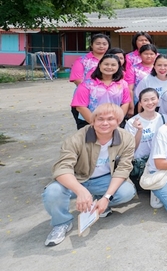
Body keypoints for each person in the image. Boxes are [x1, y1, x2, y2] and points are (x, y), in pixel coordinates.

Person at [42, 103, 136, 247]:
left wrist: (106, 197)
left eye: (110, 119)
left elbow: (123, 169)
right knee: (52, 192)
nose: (105, 123)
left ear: (118, 122)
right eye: (100, 119)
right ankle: (62, 223)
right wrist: (80, 190)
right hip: (78, 178)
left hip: (104, 179)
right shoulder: (76, 138)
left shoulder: (126, 138)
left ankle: (99, 200)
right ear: (92, 121)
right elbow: (62, 168)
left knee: (127, 191)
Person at [125, 88, 166, 200]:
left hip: (159, 161)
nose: (150, 103)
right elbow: (131, 149)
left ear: (158, 100)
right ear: (141, 102)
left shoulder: (164, 118)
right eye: (146, 100)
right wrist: (139, 131)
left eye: (153, 99)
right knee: (147, 192)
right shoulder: (131, 122)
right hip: (141, 165)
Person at [71, 54, 131, 130]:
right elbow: (80, 106)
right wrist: (96, 124)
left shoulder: (123, 84)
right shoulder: (86, 84)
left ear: (118, 67)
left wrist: (118, 122)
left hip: (114, 123)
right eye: (106, 64)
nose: (109, 67)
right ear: (99, 65)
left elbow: (125, 102)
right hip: (90, 123)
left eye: (113, 65)